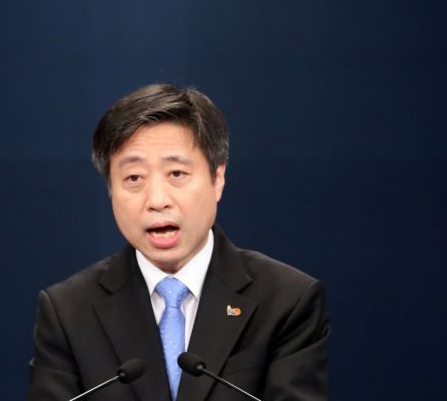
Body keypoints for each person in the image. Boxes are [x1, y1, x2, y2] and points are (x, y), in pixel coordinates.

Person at [27, 84, 329, 401]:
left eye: (176, 173)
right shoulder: (68, 312)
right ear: (111, 191)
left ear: (217, 179)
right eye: (134, 178)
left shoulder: (287, 301)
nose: (157, 200)